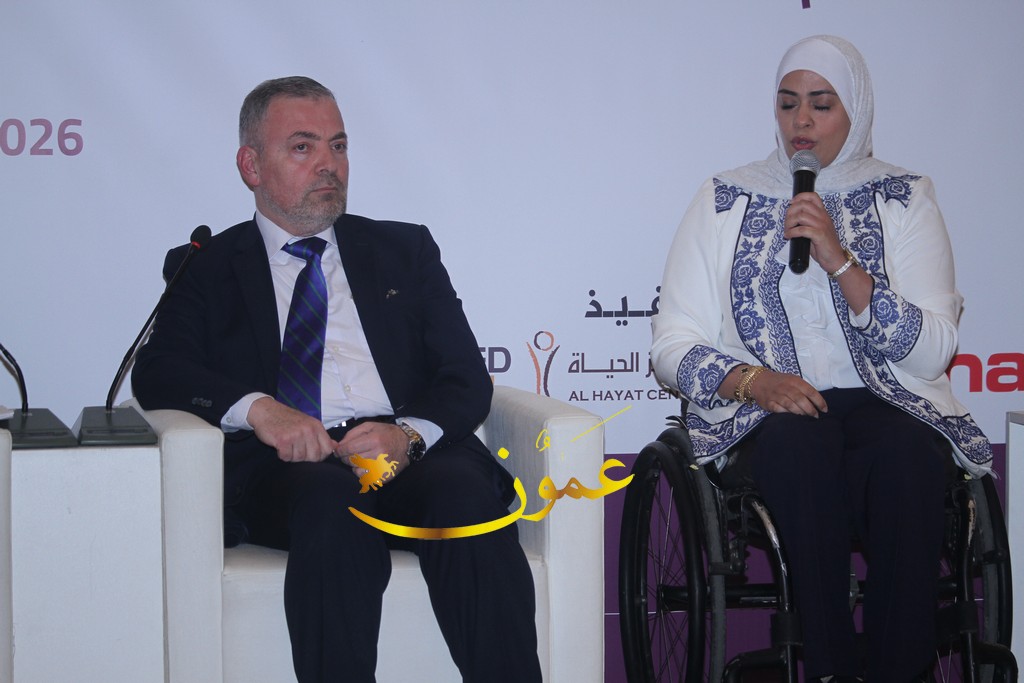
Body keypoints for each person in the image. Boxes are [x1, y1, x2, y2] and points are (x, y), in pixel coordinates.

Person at [132, 76, 541, 683]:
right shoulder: (207, 265)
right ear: (251, 165)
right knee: (332, 504)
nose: (329, 164)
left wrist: (408, 435)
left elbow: (463, 377)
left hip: (405, 452)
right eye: (303, 147)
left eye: (339, 145)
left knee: (465, 499)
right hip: (288, 469)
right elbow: (159, 370)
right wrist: (261, 410)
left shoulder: (404, 249)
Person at [650, 35, 992, 682]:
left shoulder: (904, 196)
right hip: (769, 410)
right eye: (788, 104)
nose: (801, 122)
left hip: (888, 402)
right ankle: (830, 668)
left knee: (907, 457)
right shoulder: (725, 197)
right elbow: (672, 343)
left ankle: (900, 669)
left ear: (854, 110)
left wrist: (839, 259)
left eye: (821, 104)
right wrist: (751, 380)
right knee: (798, 448)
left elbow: (933, 351)